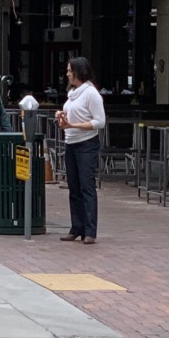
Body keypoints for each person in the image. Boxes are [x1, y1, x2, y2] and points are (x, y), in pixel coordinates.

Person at [56, 55, 106, 245]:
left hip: (86, 144)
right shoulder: (73, 93)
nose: (67, 74)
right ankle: (76, 227)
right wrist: (61, 116)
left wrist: (73, 125)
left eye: (70, 70)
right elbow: (71, 116)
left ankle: (90, 230)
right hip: (71, 142)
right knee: (74, 187)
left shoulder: (91, 93)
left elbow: (99, 122)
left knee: (86, 187)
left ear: (78, 72)